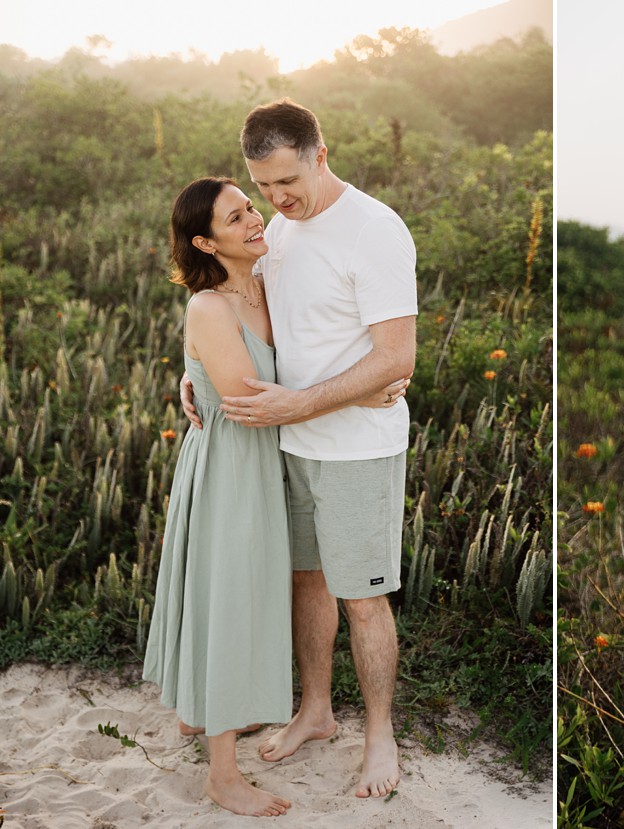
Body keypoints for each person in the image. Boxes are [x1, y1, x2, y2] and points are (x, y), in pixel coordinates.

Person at [185, 98, 418, 799]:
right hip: (287, 448)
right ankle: (315, 710)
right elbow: (236, 310)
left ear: (322, 153)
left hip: (356, 448)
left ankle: (380, 735)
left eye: (288, 179)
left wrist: (303, 403)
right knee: (306, 582)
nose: (277, 198)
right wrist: (192, 373)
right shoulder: (278, 232)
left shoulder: (374, 230)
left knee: (364, 600)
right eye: (263, 187)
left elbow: (395, 354)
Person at [147, 177, 400, 816]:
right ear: (206, 241)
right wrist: (360, 390)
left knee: (253, 594)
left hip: (275, 462)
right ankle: (223, 775)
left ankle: (205, 713)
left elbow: (298, 356)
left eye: (252, 206)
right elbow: (251, 401)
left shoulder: (268, 274)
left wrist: (190, 370)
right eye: (237, 216)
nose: (256, 218)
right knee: (232, 598)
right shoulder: (210, 305)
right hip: (234, 469)